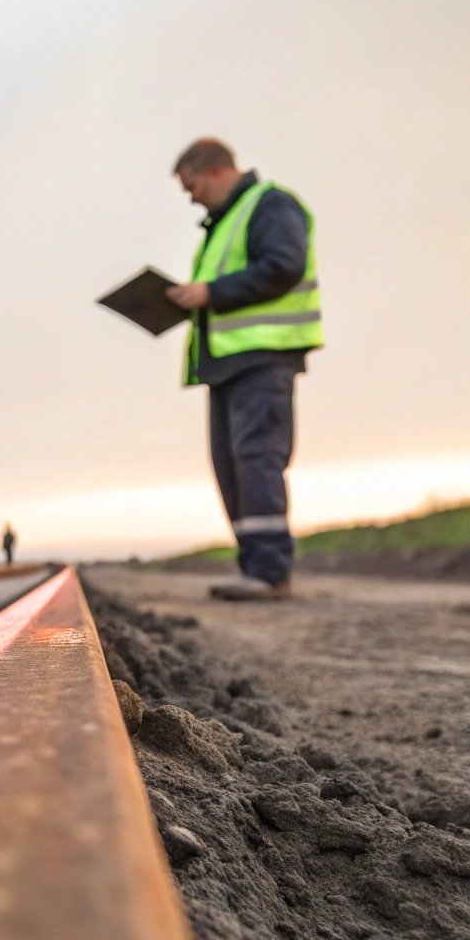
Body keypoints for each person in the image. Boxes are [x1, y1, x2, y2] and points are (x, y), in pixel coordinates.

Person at [164, 138, 323, 601]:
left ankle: (270, 572)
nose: (190, 196)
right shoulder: (227, 220)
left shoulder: (270, 205)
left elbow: (283, 265)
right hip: (229, 364)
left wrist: (210, 293)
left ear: (212, 171)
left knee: (257, 458)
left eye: (191, 185)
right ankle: (255, 565)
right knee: (232, 465)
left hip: (262, 356)